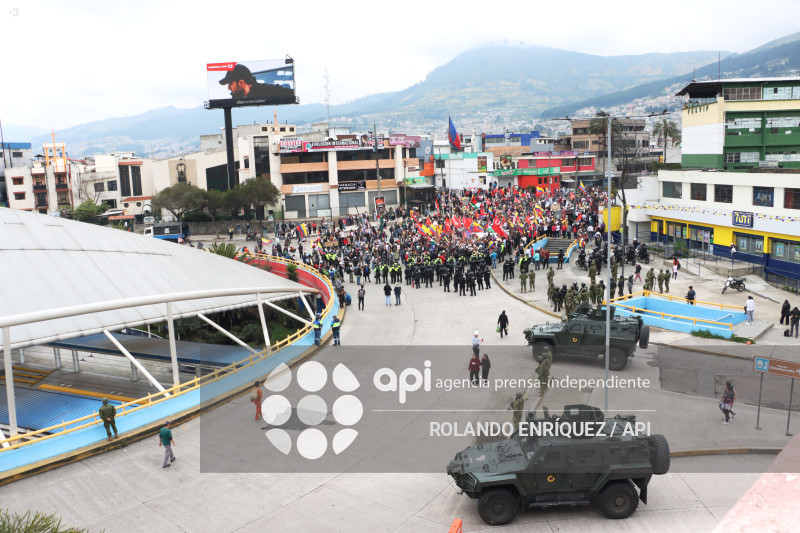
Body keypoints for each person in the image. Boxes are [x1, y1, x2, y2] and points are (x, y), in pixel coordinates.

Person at [218, 63, 294, 100]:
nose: (228, 88)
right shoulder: (237, 99)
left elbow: (291, 94)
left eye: (230, 84)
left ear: (241, 83)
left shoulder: (271, 91)